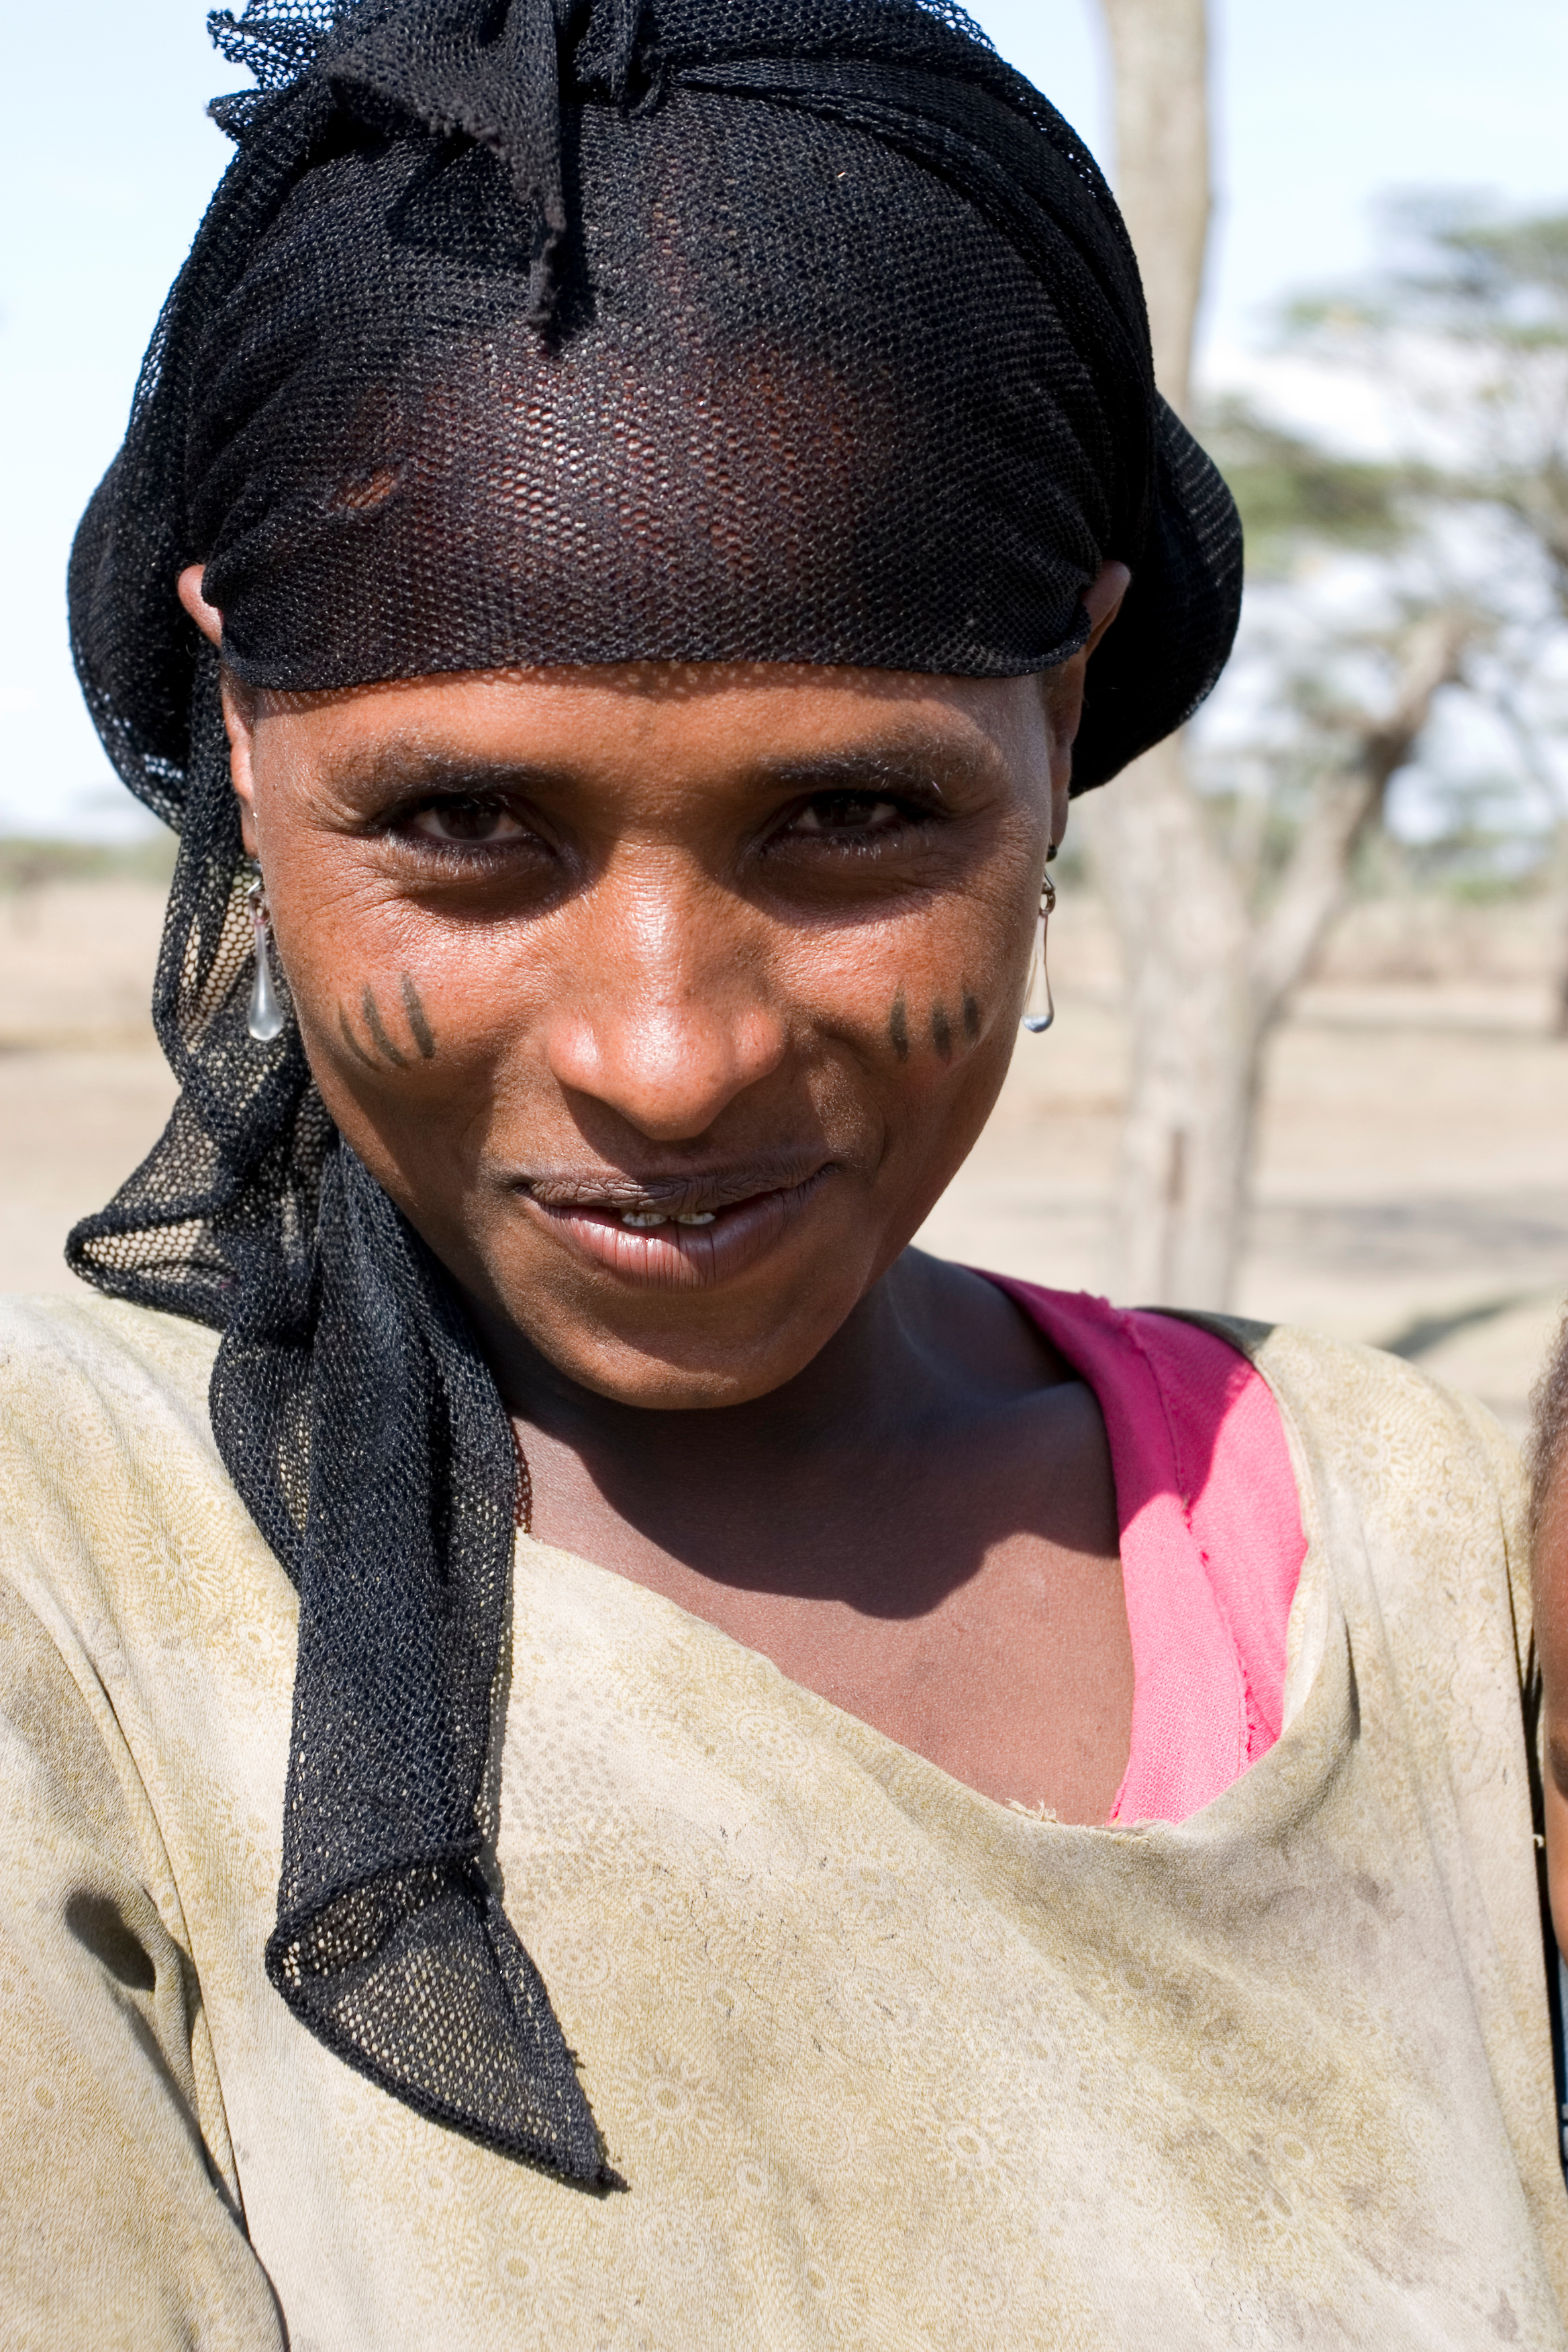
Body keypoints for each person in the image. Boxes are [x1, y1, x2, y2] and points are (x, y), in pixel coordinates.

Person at [1, 0, 1563, 2341]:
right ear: (239, 732)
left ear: (1065, 719)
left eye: (853, 819)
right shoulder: (71, 1588)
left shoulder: (1416, 1558)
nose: (666, 1053)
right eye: (462, 827)